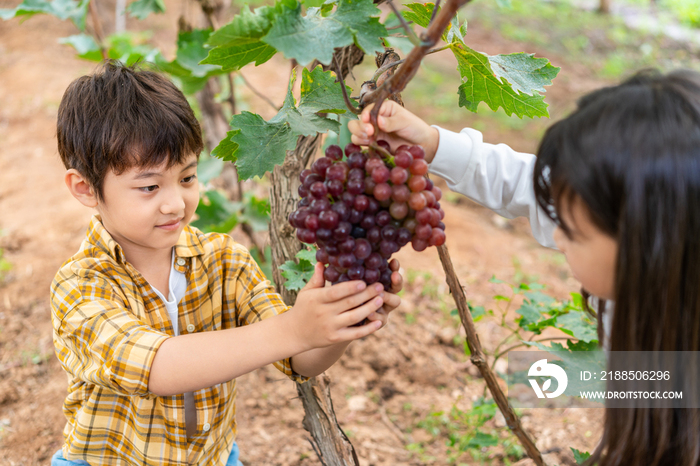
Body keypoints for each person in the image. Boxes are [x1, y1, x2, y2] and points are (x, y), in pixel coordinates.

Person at [49, 60, 402, 466]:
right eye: (149, 186)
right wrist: (291, 329)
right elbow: (155, 366)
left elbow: (300, 358)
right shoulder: (80, 286)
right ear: (85, 188)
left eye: (186, 178)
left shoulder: (223, 261)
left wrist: (338, 320)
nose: (175, 203)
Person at [350, 69, 700, 465]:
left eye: (571, 230)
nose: (556, 236)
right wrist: (432, 144)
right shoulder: (665, 257)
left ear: (647, 244)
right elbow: (530, 185)